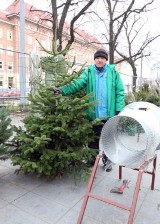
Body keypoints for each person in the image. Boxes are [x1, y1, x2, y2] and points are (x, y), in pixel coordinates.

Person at [54, 48, 125, 171]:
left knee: (108, 139)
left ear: (105, 60)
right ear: (94, 60)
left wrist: (118, 109)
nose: (99, 60)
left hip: (109, 114)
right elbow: (78, 83)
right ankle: (92, 159)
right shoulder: (89, 72)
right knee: (92, 138)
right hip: (93, 114)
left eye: (102, 58)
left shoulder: (113, 73)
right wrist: (62, 90)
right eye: (97, 58)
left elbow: (120, 91)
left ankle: (107, 160)